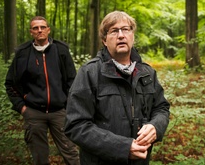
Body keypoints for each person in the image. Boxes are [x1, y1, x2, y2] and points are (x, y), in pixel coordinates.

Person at [64, 11, 170, 165]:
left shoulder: (147, 73)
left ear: (132, 36)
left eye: (126, 29)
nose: (121, 35)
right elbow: (75, 125)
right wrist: (123, 148)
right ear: (104, 41)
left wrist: (156, 127)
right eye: (114, 31)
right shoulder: (89, 72)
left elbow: (161, 108)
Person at [5, 16, 80, 165]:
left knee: (71, 152)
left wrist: (68, 104)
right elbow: (10, 83)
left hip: (59, 111)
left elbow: (73, 81)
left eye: (42, 27)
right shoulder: (22, 53)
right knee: (39, 157)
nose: (39, 30)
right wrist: (22, 107)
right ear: (31, 32)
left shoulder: (61, 50)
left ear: (48, 30)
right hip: (34, 113)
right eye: (35, 28)